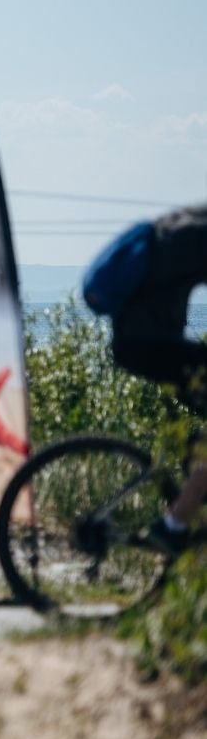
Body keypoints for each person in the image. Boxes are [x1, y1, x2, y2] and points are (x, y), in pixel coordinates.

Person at [106, 203, 207, 555]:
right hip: (148, 344)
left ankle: (191, 481)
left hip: (139, 341)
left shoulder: (187, 221)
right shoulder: (196, 233)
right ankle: (174, 524)